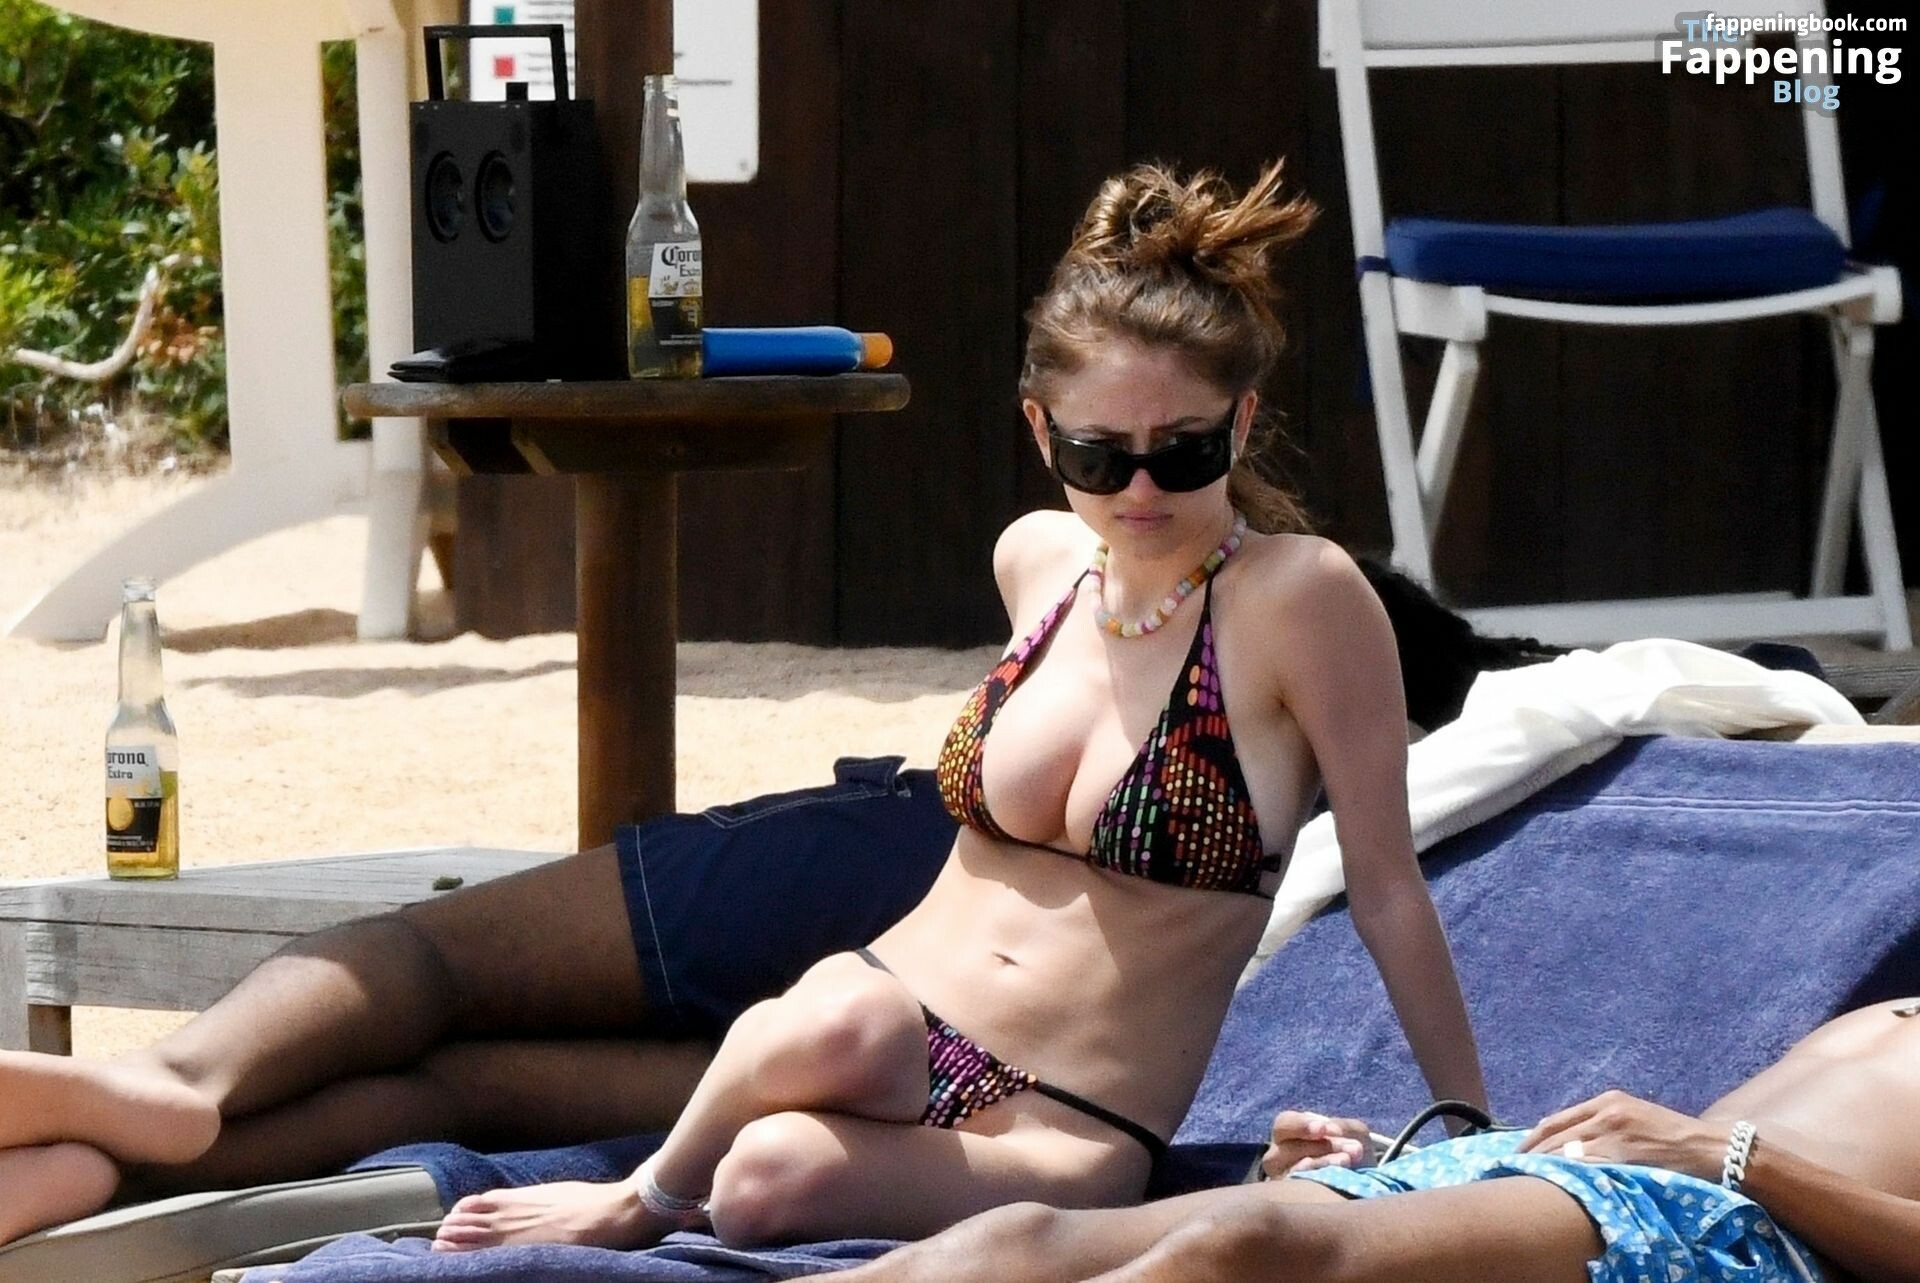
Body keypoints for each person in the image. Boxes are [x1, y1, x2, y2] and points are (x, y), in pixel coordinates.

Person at [419, 160, 1484, 1254]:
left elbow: (1388, 888)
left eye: (1184, 451)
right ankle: (644, 1196)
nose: (1140, 489)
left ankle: (673, 1184)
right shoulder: (1039, 561)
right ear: (1041, 432)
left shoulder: (1300, 599)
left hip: (1070, 1114)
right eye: (1098, 455)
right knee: (829, 1020)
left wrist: (1473, 1136)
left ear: (1242, 421)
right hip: (884, 1024)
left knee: (760, 1186)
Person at [823, 996, 1920, 1283]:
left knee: (1242, 1253)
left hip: (1719, 1225)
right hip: (1564, 1168)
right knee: (1024, 1237)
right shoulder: (1885, 1004)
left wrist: (1731, 1156)